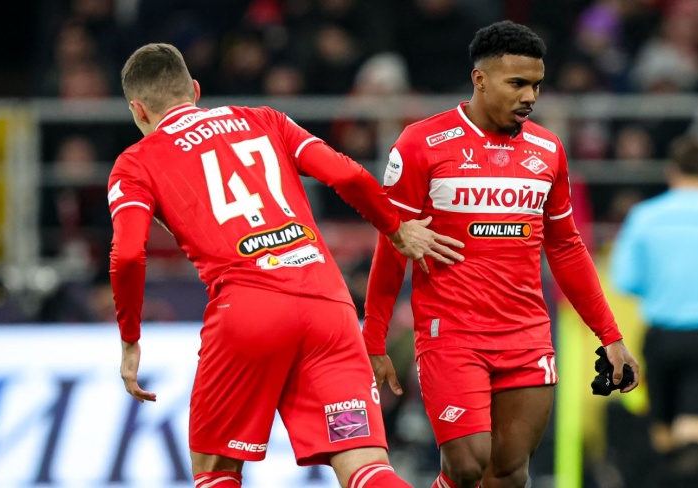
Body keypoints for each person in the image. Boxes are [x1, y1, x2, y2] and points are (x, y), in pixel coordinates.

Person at [107, 43, 465, 488]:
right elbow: (347, 174)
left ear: (138, 110)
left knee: (216, 470)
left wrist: (130, 340)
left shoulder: (135, 163)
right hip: (328, 307)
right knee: (365, 465)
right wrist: (395, 227)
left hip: (248, 314)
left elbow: (127, 255)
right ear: (195, 90)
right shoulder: (265, 119)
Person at [362, 20, 640, 488]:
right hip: (452, 334)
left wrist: (609, 336)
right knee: (467, 464)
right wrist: (373, 341)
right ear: (480, 79)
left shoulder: (548, 150)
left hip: (526, 336)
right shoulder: (421, 144)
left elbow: (566, 247)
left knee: (509, 474)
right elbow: (390, 249)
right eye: (517, 84)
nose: (530, 96)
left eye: (536, 85)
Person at [610, 135, 698, 488]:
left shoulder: (645, 217)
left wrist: (663, 287)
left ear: (671, 172)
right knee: (696, 431)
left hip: (662, 336)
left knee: (663, 434)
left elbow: (624, 279)